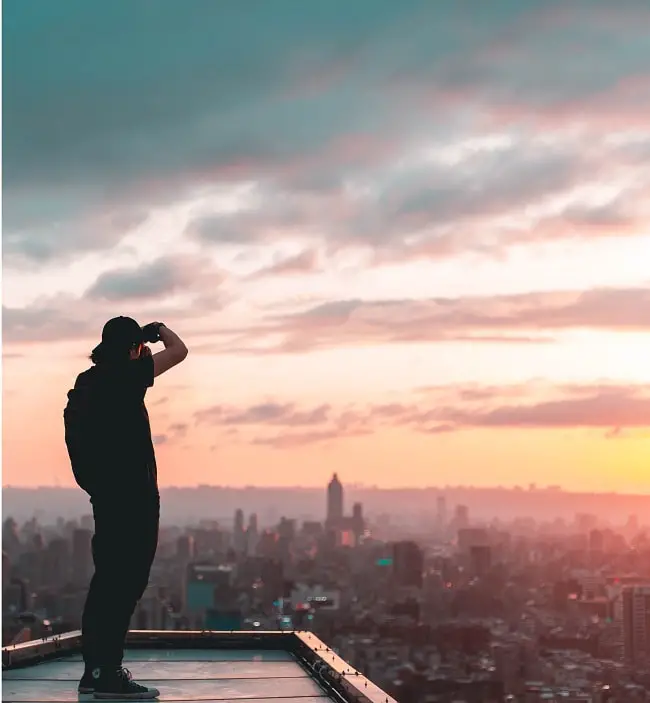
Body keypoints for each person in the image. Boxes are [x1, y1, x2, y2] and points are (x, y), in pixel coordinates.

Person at [64, 317, 188, 699]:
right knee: (125, 586)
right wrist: (160, 330)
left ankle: (95, 671)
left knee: (106, 584)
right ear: (133, 347)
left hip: (105, 499)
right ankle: (110, 676)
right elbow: (180, 351)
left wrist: (138, 348)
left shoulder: (88, 382)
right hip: (134, 501)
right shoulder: (127, 377)